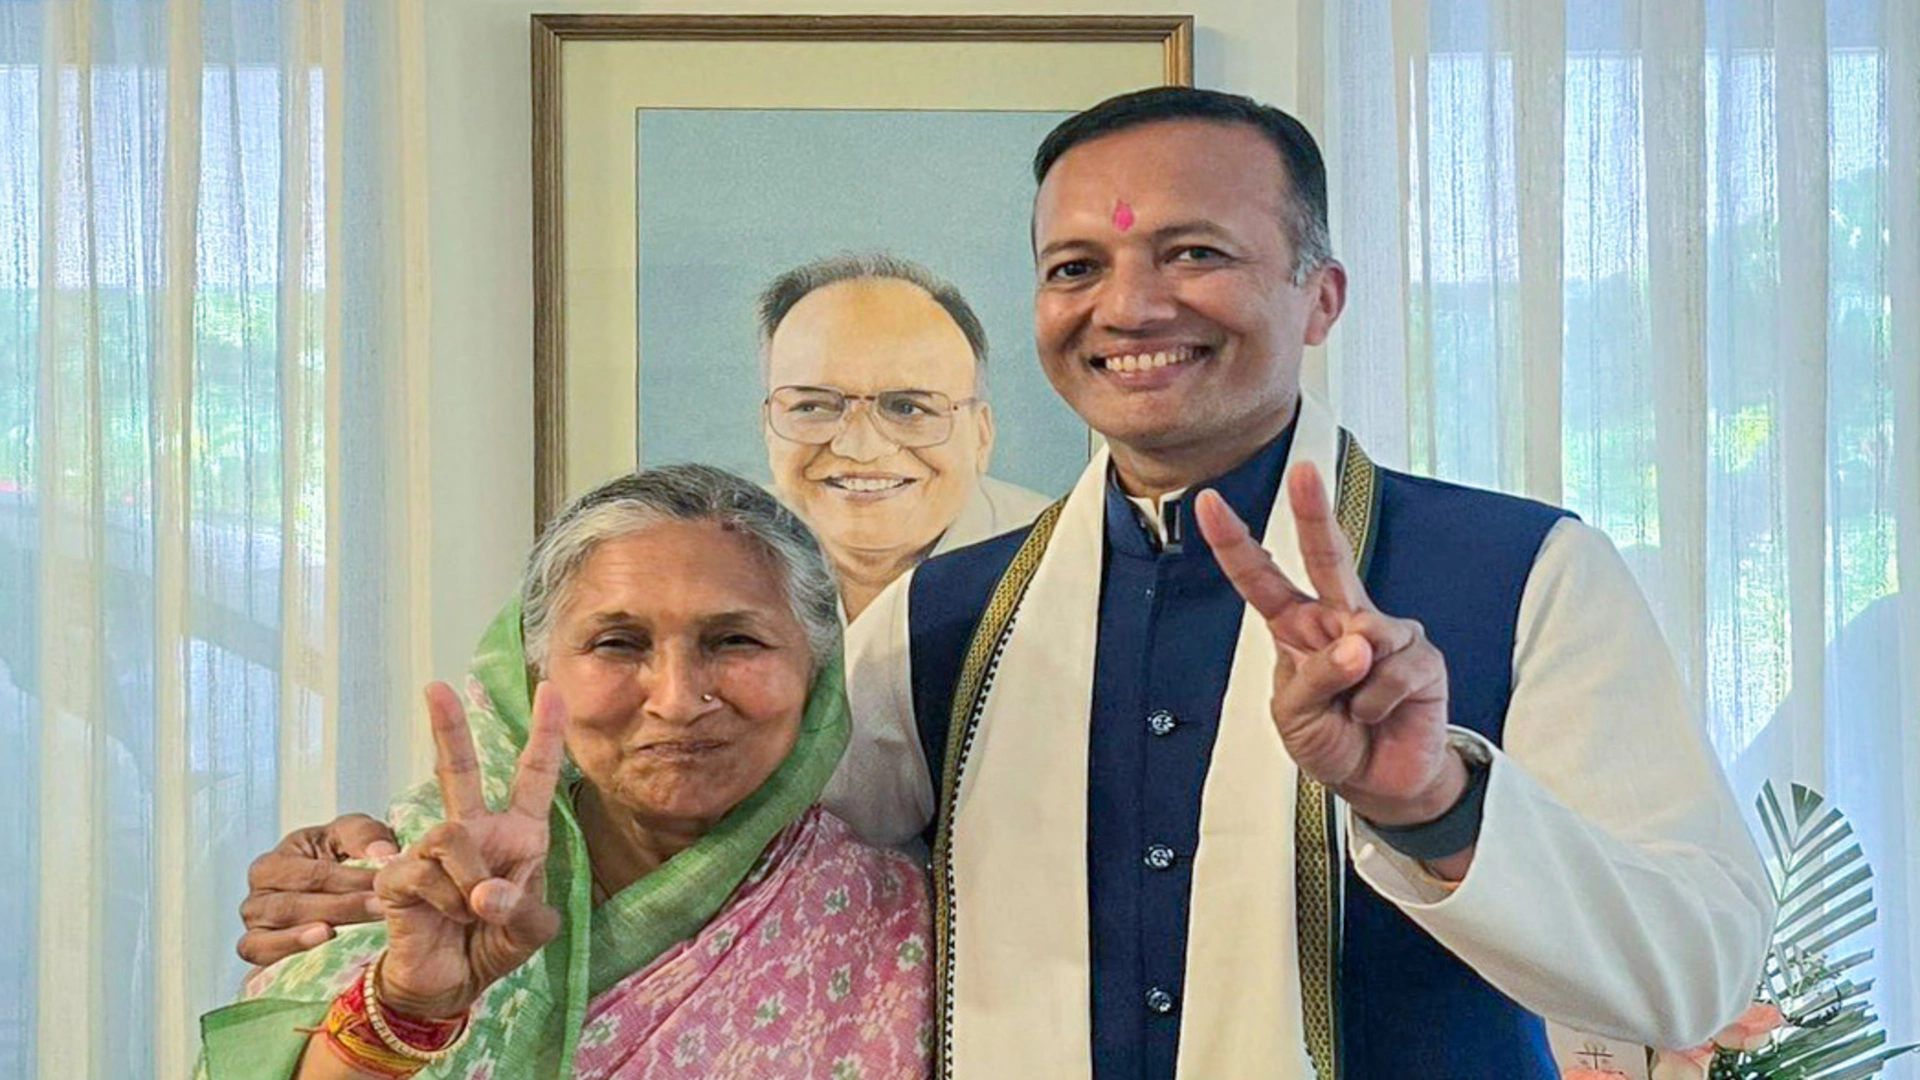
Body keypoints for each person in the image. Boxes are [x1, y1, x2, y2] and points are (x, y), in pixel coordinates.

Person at [236, 89, 1772, 1080]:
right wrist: (378, 869)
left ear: (1323, 293)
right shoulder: (950, 617)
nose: (1131, 304)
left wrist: (1436, 799)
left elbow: (1695, 962)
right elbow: (716, 847)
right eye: (1076, 268)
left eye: (1196, 254)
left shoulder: (1522, 574)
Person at [201, 465, 930, 1079]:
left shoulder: (900, 932)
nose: (677, 700)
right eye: (618, 643)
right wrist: (410, 1006)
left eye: (735, 640)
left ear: (818, 671)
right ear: (534, 671)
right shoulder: (409, 887)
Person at [757, 254, 1051, 619]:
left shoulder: (1066, 568)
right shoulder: (713, 558)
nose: (861, 448)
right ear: (768, 427)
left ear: (981, 435)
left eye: (908, 408)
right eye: (814, 407)